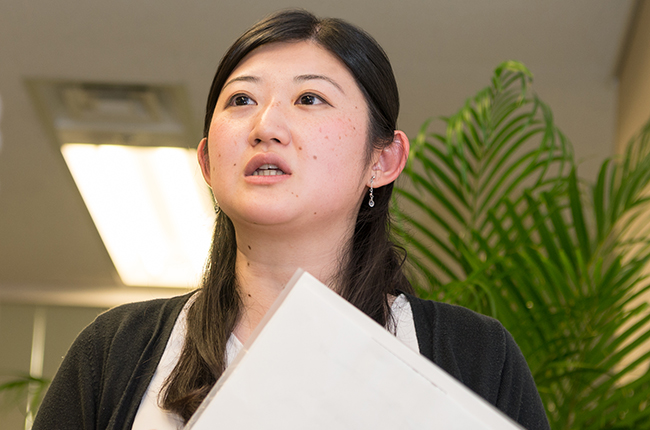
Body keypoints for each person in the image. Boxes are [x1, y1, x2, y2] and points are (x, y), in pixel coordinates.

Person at [33, 9, 550, 430]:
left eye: (309, 98)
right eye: (242, 100)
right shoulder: (114, 352)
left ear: (383, 160)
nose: (266, 125)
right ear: (208, 162)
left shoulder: (476, 356)